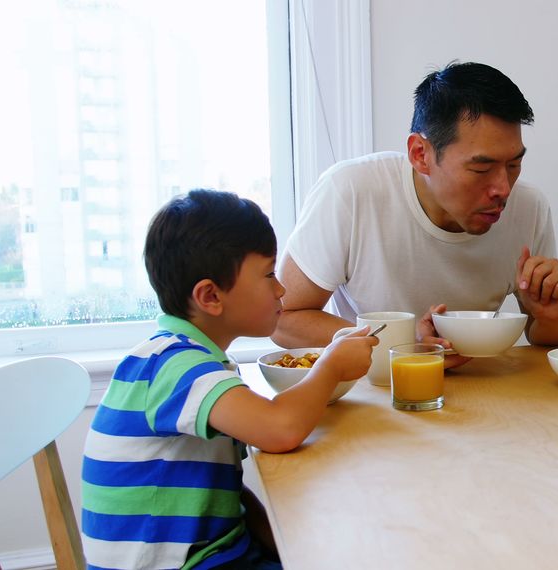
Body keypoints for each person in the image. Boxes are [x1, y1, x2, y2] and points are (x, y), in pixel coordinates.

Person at [81, 190, 378, 569]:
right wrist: (331, 365)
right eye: (269, 274)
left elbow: (229, 495)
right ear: (210, 296)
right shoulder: (174, 365)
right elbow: (280, 428)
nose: (281, 289)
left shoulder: (196, 361)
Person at [273, 61, 558, 367]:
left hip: (485, 391)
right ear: (420, 154)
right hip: (378, 390)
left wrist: (550, 318)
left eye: (513, 165)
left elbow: (553, 335)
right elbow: (283, 319)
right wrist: (403, 344)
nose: (503, 189)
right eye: (481, 169)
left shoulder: (529, 207)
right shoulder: (352, 191)